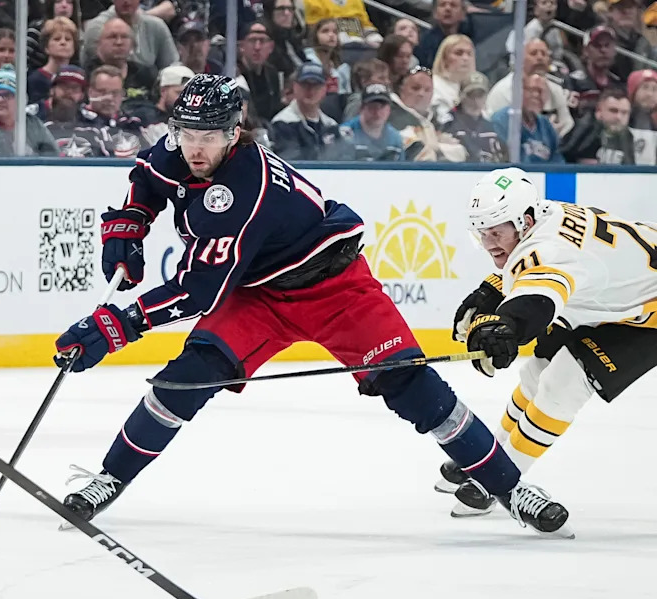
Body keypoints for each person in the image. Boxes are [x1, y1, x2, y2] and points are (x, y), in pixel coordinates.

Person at [53, 74, 573, 539]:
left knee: (414, 389)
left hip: (335, 288)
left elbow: (199, 291)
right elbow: (147, 178)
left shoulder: (243, 189)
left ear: (235, 131)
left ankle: (511, 489)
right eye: (186, 133)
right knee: (184, 379)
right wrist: (129, 224)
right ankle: (110, 477)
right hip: (259, 295)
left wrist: (119, 324)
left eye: (209, 136)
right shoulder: (180, 148)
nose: (195, 147)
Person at [440, 166, 657, 516]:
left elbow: (537, 299)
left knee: (564, 383)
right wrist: (491, 291)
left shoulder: (546, 251)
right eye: (482, 232)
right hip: (609, 297)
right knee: (537, 370)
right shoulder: (545, 212)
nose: (489, 242)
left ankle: (498, 480)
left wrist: (507, 327)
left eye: (496, 232)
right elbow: (536, 267)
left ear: (524, 221)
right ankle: (493, 454)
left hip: (646, 314)